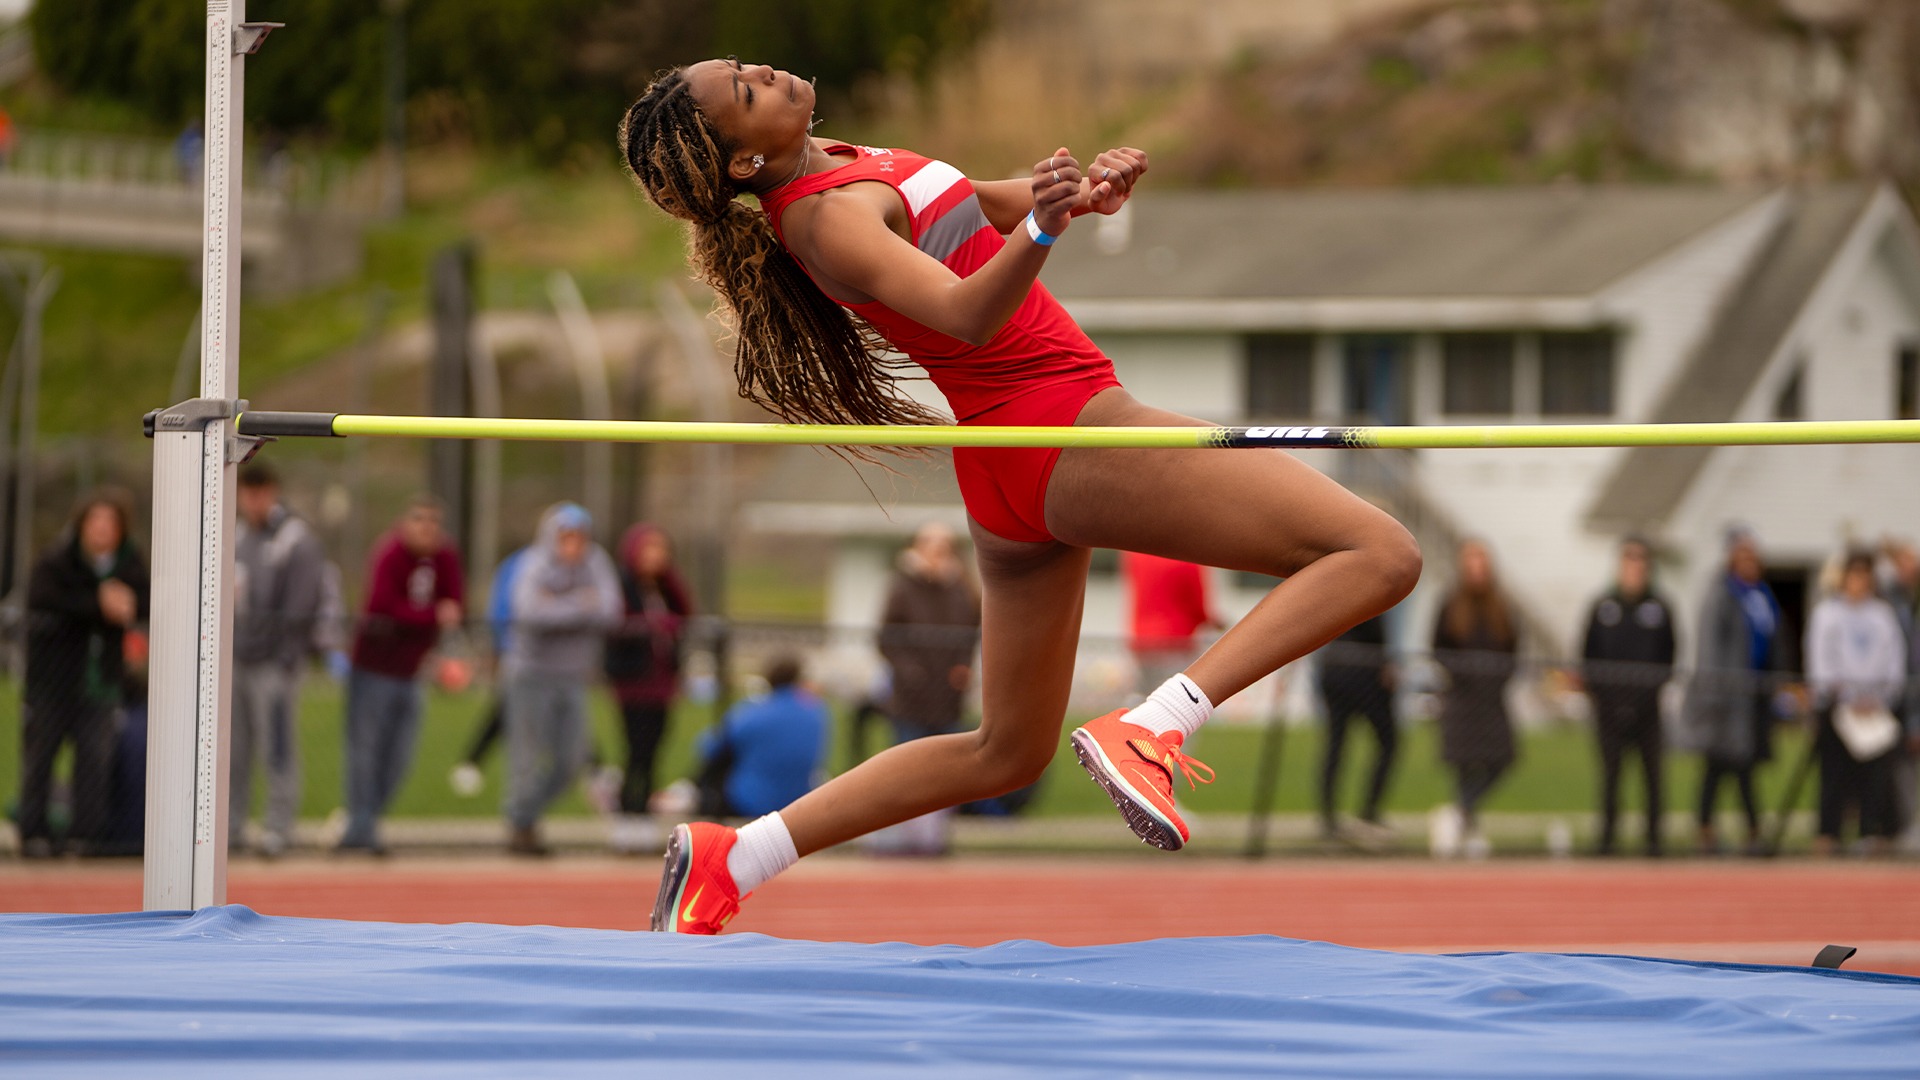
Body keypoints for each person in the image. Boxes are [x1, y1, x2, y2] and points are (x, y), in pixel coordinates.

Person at [620, 59, 1419, 933]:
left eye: (746, 68)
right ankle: (1155, 724)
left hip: (1010, 466)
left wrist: (1065, 198)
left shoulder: (836, 164)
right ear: (741, 164)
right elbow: (967, 313)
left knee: (1005, 751)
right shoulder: (829, 215)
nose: (765, 73)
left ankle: (737, 856)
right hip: (1061, 427)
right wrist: (1039, 232)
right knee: (1378, 553)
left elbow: (972, 207)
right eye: (747, 92)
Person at [18, 491, 150, 857]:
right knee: (40, 757)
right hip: (52, 683)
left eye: (110, 523)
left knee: (95, 758)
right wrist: (98, 603)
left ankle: (85, 836)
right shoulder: (57, 561)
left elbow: (145, 599)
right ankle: (33, 835)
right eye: (95, 522)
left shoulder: (129, 564)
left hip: (101, 683)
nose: (102, 530)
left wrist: (127, 604)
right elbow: (44, 599)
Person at [338, 497, 464, 854]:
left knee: (399, 757)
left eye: (434, 521)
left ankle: (364, 824)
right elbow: (383, 606)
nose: (427, 528)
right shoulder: (389, 554)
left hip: (412, 670)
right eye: (419, 519)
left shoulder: (445, 557)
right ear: (404, 522)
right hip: (374, 668)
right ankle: (362, 829)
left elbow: (455, 603)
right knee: (365, 753)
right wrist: (430, 616)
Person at [502, 503, 622, 855]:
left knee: (573, 760)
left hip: (574, 677)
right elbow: (529, 612)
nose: (573, 546)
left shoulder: (596, 562)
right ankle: (521, 825)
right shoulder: (534, 563)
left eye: (579, 538)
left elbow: (610, 611)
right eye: (566, 538)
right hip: (531, 674)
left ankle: (524, 811)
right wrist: (580, 605)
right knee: (525, 757)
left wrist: (559, 604)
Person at [230, 462, 328, 858]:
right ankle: (230, 828)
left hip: (274, 663)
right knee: (232, 751)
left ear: (272, 491)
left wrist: (287, 657)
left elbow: (303, 602)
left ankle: (277, 828)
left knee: (277, 748)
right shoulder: (234, 535)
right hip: (236, 659)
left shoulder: (294, 539)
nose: (253, 502)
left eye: (259, 493)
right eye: (246, 494)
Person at [1683, 526, 1782, 856]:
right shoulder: (1721, 594)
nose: (1749, 562)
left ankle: (1751, 831)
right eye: (1742, 555)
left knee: (1743, 767)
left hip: (1753, 696)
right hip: (1725, 697)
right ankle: (1709, 831)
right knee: (1718, 767)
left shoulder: (1761, 596)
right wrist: (1714, 694)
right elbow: (1710, 647)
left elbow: (1773, 640)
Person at [1579, 537, 1677, 856]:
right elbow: (1588, 656)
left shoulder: (1660, 608)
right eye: (1629, 562)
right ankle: (1607, 841)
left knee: (1653, 777)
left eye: (1640, 562)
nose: (1634, 569)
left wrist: (1647, 694)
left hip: (1648, 709)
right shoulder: (1603, 607)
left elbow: (1669, 656)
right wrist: (1604, 696)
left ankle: (1653, 841)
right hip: (1609, 709)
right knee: (1610, 777)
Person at [1806, 550, 1907, 855]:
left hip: (1874, 708)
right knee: (1834, 774)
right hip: (1839, 707)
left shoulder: (1882, 615)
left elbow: (1894, 661)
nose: (1859, 582)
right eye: (1854, 575)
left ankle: (1872, 832)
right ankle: (1829, 833)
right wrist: (1842, 695)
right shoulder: (1827, 613)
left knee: (1875, 776)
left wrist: (1878, 697)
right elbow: (1820, 659)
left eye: (1865, 575)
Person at [603, 524, 693, 854]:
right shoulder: (622, 586)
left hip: (662, 683)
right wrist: (651, 626)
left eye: (661, 550)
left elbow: (684, 612)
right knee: (636, 751)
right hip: (633, 682)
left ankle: (645, 817)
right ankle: (627, 818)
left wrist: (669, 580)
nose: (656, 557)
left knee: (655, 750)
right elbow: (617, 626)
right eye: (649, 550)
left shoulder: (663, 589)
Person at [1430, 539, 1519, 859]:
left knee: (1502, 759)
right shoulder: (1451, 604)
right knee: (1464, 765)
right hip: (1462, 697)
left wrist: (1498, 677)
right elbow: (1438, 648)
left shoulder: (1502, 606)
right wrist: (1462, 674)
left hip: (1492, 697)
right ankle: (1467, 826)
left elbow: (1512, 648)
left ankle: (1459, 814)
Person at [879, 523, 980, 742]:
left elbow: (970, 632)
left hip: (949, 696)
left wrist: (963, 666)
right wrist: (910, 672)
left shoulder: (961, 589)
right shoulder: (902, 587)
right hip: (911, 699)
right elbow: (886, 637)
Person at [694, 655, 828, 820]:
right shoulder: (816, 713)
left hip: (750, 802)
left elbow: (711, 749)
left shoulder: (753, 712)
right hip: (797, 799)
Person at [448, 544, 529, 797]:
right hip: (516, 653)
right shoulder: (518, 564)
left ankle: (594, 766)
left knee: (559, 712)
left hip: (549, 661)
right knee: (507, 706)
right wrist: (498, 648)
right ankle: (472, 762)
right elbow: (501, 607)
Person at [1316, 612, 1397, 845]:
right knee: (1387, 740)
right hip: (1361, 669)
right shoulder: (1368, 582)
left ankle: (1330, 814)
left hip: (1334, 666)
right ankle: (1367, 811)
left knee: (1336, 742)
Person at [1123, 552, 1219, 692]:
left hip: (1142, 638)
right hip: (1176, 641)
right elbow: (1196, 605)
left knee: (1145, 694)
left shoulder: (1136, 555)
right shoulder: (1189, 559)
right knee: (1177, 695)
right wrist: (1212, 621)